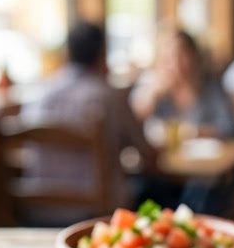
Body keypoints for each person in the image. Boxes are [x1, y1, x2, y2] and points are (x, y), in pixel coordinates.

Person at [24, 21, 156, 219]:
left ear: (66, 54)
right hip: (95, 217)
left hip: (39, 212)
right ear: (102, 55)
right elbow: (145, 152)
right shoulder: (109, 97)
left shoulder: (39, 95)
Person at [132, 29, 234, 140]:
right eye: (168, 58)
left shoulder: (210, 87)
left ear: (194, 56)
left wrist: (194, 132)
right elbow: (136, 123)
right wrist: (152, 95)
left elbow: (230, 128)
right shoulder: (153, 87)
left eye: (181, 55)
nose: (175, 64)